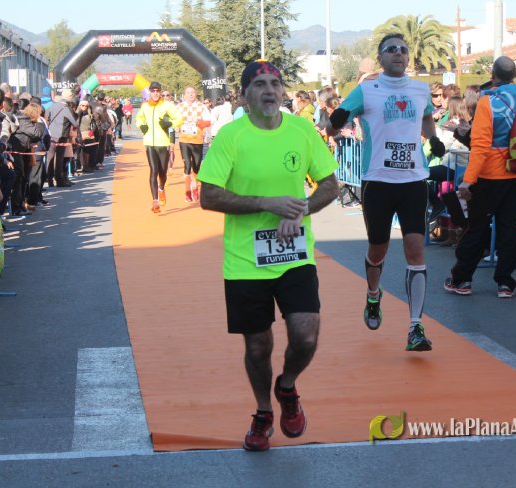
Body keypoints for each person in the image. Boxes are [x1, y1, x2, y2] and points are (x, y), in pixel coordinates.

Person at [199, 60, 339, 452]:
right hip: (245, 260)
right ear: (245, 95)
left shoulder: (301, 130)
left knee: (306, 336)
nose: (269, 91)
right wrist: (267, 203)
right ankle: (263, 412)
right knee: (258, 346)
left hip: (295, 254)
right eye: (259, 84)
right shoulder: (231, 136)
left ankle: (287, 387)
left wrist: (301, 210)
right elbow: (208, 196)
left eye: (275, 84)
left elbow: (330, 185)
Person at [327, 33, 445, 351]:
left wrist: (432, 138)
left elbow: (426, 118)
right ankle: (373, 294)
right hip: (377, 181)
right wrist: (336, 121)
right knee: (378, 248)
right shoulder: (366, 90)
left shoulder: (420, 90)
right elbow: (332, 125)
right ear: (380, 58)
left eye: (403, 49)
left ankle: (415, 327)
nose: (398, 53)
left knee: (415, 249)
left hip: (413, 180)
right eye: (391, 49)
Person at [443, 56, 516, 298]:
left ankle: (462, 279)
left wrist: (468, 180)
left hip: (490, 175)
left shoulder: (487, 101)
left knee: (477, 229)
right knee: (508, 228)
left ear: (493, 76)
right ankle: (505, 283)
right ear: (514, 75)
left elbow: (481, 145)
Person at [134, 82, 183, 213]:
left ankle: (161, 188)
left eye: (157, 91)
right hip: (149, 142)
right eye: (153, 91)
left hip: (163, 143)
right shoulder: (145, 106)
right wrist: (141, 125)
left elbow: (179, 118)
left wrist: (169, 123)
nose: (155, 93)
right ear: (150, 92)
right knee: (153, 170)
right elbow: (138, 118)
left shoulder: (167, 105)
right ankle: (155, 200)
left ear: (160, 92)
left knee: (162, 173)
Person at [177, 86, 211, 202]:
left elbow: (208, 122)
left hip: (197, 140)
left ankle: (195, 186)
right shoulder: (180, 107)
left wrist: (199, 123)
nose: (190, 94)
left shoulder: (201, 106)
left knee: (196, 166)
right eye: (188, 92)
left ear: (195, 94)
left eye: (192, 92)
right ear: (184, 94)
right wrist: (176, 126)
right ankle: (187, 191)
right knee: (187, 166)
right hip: (184, 140)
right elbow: (174, 121)